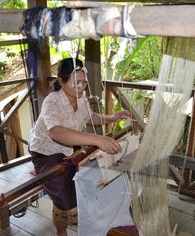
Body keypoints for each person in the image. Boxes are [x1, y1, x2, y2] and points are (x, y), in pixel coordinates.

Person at [28, 57, 130, 236]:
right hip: (45, 152)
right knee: (65, 201)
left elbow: (89, 117)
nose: (82, 87)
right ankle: (61, 231)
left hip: (69, 150)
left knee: (90, 183)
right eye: (76, 83)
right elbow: (56, 132)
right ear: (61, 81)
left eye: (84, 82)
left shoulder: (80, 98)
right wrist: (97, 140)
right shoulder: (52, 101)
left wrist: (111, 118)